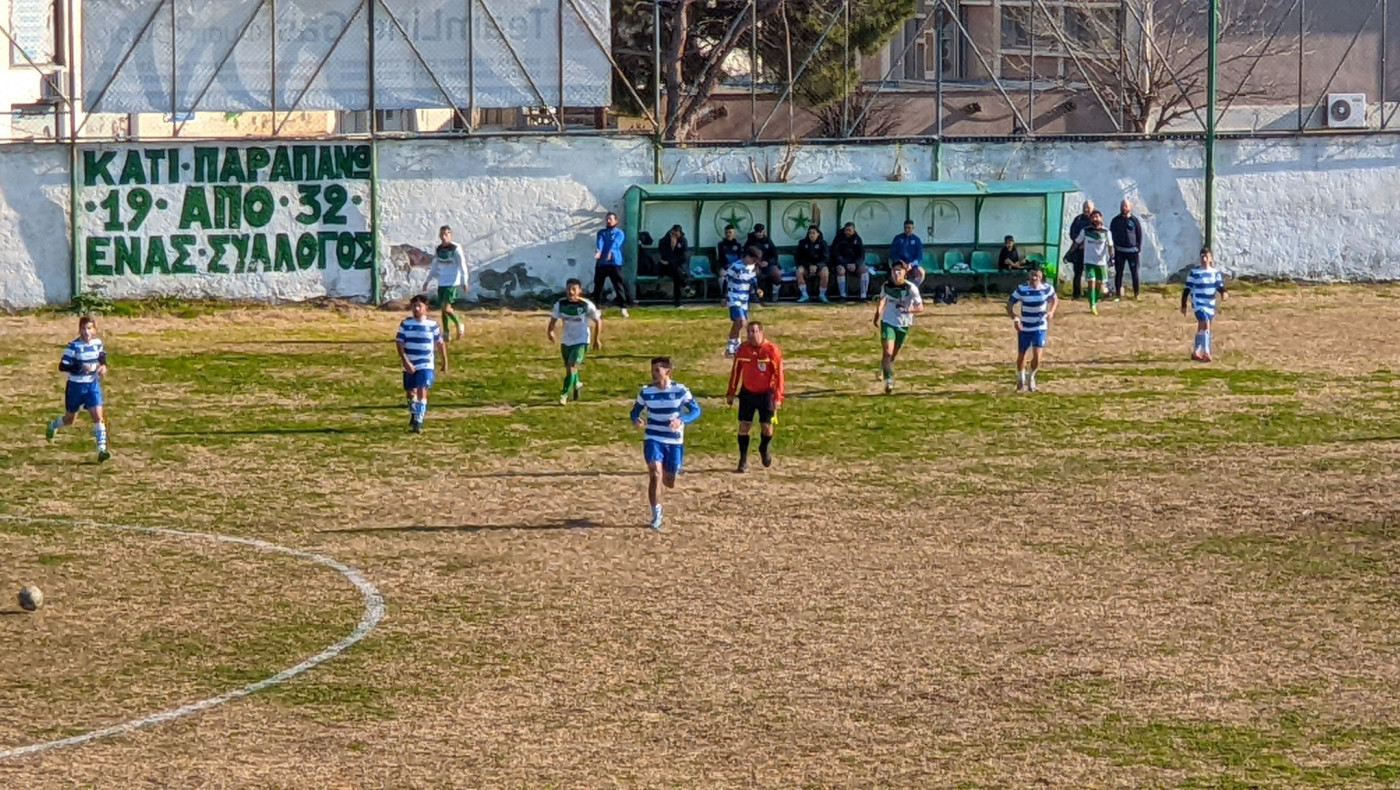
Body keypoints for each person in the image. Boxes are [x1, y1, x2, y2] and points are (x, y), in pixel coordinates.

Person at [630, 357, 702, 530]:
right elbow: (635, 411)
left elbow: (696, 410)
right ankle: (656, 513)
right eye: (652, 370)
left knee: (669, 481)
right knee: (655, 473)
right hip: (653, 437)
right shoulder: (646, 392)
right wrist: (636, 419)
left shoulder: (680, 390)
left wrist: (681, 420)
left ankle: (668, 476)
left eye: (657, 370)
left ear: (667, 371)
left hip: (674, 439)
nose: (654, 374)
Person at [45, 315, 111, 462]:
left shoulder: (97, 343)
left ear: (94, 330)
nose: (86, 332)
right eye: (83, 328)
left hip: (92, 385)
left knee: (98, 417)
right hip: (75, 387)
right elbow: (62, 366)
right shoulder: (73, 347)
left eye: (89, 328)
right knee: (69, 419)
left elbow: (101, 355)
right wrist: (80, 367)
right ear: (79, 330)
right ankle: (53, 425)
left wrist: (103, 366)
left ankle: (101, 451)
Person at [725, 321, 784, 473]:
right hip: (748, 393)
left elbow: (779, 376)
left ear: (761, 332)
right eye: (749, 332)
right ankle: (743, 459)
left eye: (754, 331)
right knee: (744, 426)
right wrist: (731, 392)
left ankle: (764, 448)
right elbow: (736, 371)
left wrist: (778, 397)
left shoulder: (771, 350)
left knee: (767, 428)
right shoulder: (743, 350)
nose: (751, 334)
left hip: (766, 394)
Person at [396, 294, 448, 433]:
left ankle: (418, 421)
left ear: (426, 308)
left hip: (426, 364)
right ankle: (414, 412)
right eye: (414, 306)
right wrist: (405, 360)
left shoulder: (432, 325)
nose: (416, 309)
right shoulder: (406, 324)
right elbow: (399, 343)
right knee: (410, 392)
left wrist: (444, 361)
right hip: (410, 363)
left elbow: (440, 343)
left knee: (421, 389)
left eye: (419, 306)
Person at [547, 278, 603, 405]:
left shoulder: (586, 305)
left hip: (581, 340)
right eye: (569, 289)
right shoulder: (560, 305)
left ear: (579, 291)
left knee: (571, 366)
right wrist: (550, 331)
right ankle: (577, 383)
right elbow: (553, 321)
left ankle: (564, 394)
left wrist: (596, 339)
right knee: (569, 369)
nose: (571, 292)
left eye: (574, 289)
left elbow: (598, 321)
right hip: (566, 341)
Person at [873, 260, 924, 394]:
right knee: (888, 352)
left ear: (905, 273)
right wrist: (877, 315)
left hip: (903, 324)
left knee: (893, 355)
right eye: (894, 270)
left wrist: (909, 310)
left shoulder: (911, 288)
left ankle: (883, 367)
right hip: (888, 321)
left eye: (899, 271)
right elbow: (882, 300)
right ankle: (889, 381)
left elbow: (921, 307)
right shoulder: (886, 286)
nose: (896, 273)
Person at [1006, 265, 1059, 392]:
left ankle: (1032, 376)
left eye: (1037, 275)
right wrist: (1015, 318)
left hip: (1040, 326)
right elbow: (1009, 304)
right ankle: (1020, 378)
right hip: (1025, 327)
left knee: (1037, 356)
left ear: (1041, 277)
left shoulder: (1047, 289)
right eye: (1032, 275)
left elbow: (1055, 299)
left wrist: (1051, 312)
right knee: (1022, 355)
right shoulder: (1022, 289)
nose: (1035, 278)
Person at [1182, 246, 1227, 362]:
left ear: (1211, 258)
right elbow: (1187, 289)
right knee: (1206, 323)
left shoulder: (1215, 273)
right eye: (1202, 257)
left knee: (1202, 326)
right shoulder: (1195, 273)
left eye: (1206, 257)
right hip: (1199, 303)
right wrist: (1184, 304)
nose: (1204, 259)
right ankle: (1206, 352)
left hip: (1210, 303)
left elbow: (1220, 286)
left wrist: (1224, 293)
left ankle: (1196, 351)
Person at [423, 225, 468, 341]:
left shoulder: (456, 248)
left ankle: (459, 324)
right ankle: (446, 332)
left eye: (446, 234)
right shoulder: (438, 249)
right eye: (442, 234)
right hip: (442, 282)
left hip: (452, 282)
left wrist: (464, 281)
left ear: (450, 235)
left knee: (446, 307)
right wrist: (427, 281)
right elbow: (434, 266)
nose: (444, 237)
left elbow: (462, 265)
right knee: (443, 309)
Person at [722, 246, 764, 356]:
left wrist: (757, 290)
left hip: (744, 298)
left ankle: (734, 344)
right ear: (747, 256)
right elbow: (726, 281)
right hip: (734, 296)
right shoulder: (736, 266)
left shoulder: (753, 268)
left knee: (739, 323)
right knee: (741, 321)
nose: (753, 262)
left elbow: (753, 282)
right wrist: (724, 296)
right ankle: (732, 344)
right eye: (753, 259)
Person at [592, 211, 630, 318]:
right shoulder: (601, 232)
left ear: (616, 221)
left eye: (611, 219)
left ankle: (623, 307)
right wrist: (599, 251)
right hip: (602, 263)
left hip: (614, 263)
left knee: (618, 285)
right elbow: (600, 242)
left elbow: (616, 243)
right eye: (607, 219)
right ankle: (597, 307)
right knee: (598, 286)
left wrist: (610, 252)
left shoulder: (619, 233)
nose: (608, 221)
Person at [1074, 209, 1113, 315]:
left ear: (1101, 218)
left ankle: (1095, 302)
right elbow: (1077, 242)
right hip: (1089, 261)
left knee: (1099, 285)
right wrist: (1069, 253)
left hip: (1101, 263)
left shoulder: (1106, 232)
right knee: (1091, 282)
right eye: (1093, 217)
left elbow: (1110, 245)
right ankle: (1092, 305)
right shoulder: (1085, 231)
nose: (1095, 219)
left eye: (1097, 217)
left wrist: (1111, 256)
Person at [1110, 199, 1144, 301]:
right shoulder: (1115, 220)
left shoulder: (1134, 220)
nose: (1123, 208)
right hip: (1120, 251)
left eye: (1126, 206)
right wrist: (1114, 247)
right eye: (1122, 206)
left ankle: (1136, 294)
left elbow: (1139, 234)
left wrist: (1138, 248)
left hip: (1132, 252)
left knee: (1135, 273)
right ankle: (1117, 294)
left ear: (1130, 207)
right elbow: (1111, 234)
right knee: (1119, 272)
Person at [830, 222, 869, 301]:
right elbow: (835, 253)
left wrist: (856, 264)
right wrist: (845, 264)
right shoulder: (839, 238)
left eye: (849, 230)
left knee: (863, 270)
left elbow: (861, 255)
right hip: (842, 262)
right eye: (846, 230)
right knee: (840, 271)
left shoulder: (858, 239)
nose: (847, 232)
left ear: (853, 231)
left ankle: (863, 295)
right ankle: (843, 295)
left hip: (854, 263)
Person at [744, 224, 782, 303]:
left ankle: (775, 293)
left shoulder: (768, 241)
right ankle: (753, 293)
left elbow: (775, 256)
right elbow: (746, 255)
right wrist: (756, 262)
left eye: (761, 232)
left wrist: (768, 262)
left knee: (776, 273)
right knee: (751, 273)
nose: (759, 234)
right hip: (755, 265)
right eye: (757, 232)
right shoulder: (750, 242)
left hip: (768, 265)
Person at [1066, 200, 1095, 299]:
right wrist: (1078, 243)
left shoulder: (1095, 220)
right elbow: (1072, 233)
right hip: (1078, 250)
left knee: (1092, 274)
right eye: (1085, 207)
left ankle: (1092, 295)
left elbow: (1097, 234)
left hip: (1091, 251)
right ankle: (1076, 294)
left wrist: (1086, 243)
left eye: (1088, 207)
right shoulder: (1078, 219)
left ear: (1093, 208)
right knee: (1077, 273)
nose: (1086, 209)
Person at [794, 226, 830, 303]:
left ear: (818, 234)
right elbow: (798, 258)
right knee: (799, 272)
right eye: (810, 233)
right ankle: (804, 295)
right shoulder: (802, 243)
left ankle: (822, 295)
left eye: (814, 233)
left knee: (825, 272)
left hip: (819, 266)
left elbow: (826, 258)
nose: (812, 235)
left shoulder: (823, 243)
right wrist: (808, 266)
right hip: (806, 266)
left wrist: (817, 266)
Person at [657, 224, 690, 307]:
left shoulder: (682, 241)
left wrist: (670, 261)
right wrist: (671, 247)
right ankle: (685, 285)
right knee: (677, 272)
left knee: (677, 275)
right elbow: (664, 256)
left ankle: (677, 302)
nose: (674, 236)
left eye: (676, 234)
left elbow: (683, 258)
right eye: (672, 234)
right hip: (665, 268)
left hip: (677, 268)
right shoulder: (664, 241)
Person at [889, 220, 925, 287]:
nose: (907, 230)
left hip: (912, 264)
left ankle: (913, 288)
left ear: (913, 228)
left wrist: (911, 264)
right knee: (897, 272)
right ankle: (901, 289)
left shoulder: (917, 240)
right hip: (900, 264)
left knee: (921, 272)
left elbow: (919, 256)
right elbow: (892, 253)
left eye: (909, 228)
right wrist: (901, 263)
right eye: (905, 228)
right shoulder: (898, 238)